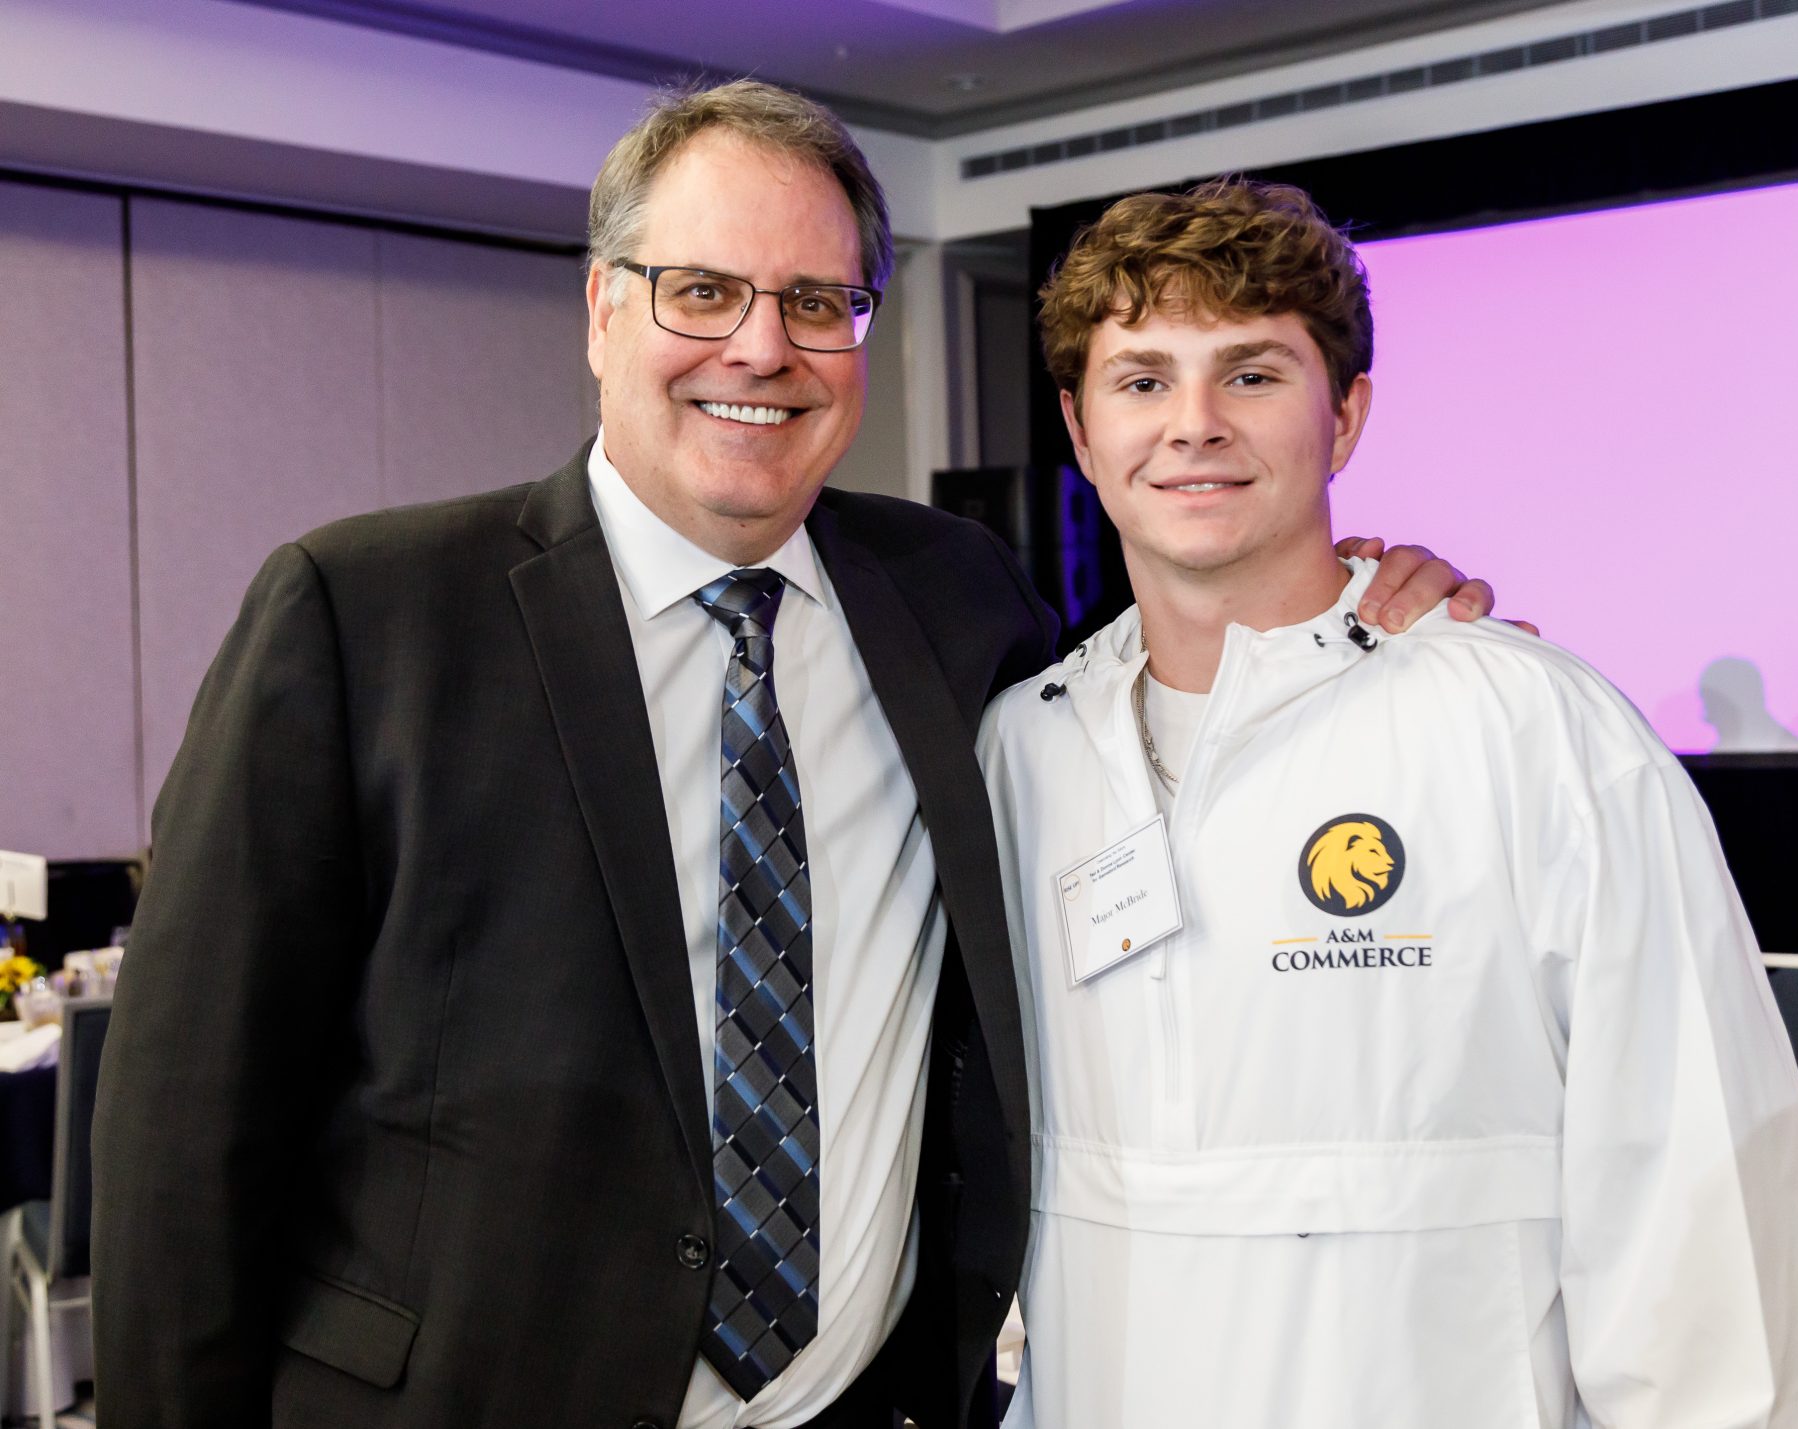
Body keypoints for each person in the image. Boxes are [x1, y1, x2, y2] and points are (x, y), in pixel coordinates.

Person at [89, 84, 1494, 1429]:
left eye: (815, 303)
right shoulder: (363, 612)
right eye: (701, 290)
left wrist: (1364, 589)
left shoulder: (955, 602)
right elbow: (182, 1133)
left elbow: (1178, 663)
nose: (760, 348)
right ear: (600, 309)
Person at [980, 178, 1798, 1427]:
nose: (1194, 426)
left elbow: (1696, 1202)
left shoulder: (1531, 727)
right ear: (1078, 427)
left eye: (1253, 375)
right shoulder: (1020, 749)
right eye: (1141, 381)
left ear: (1345, 418)